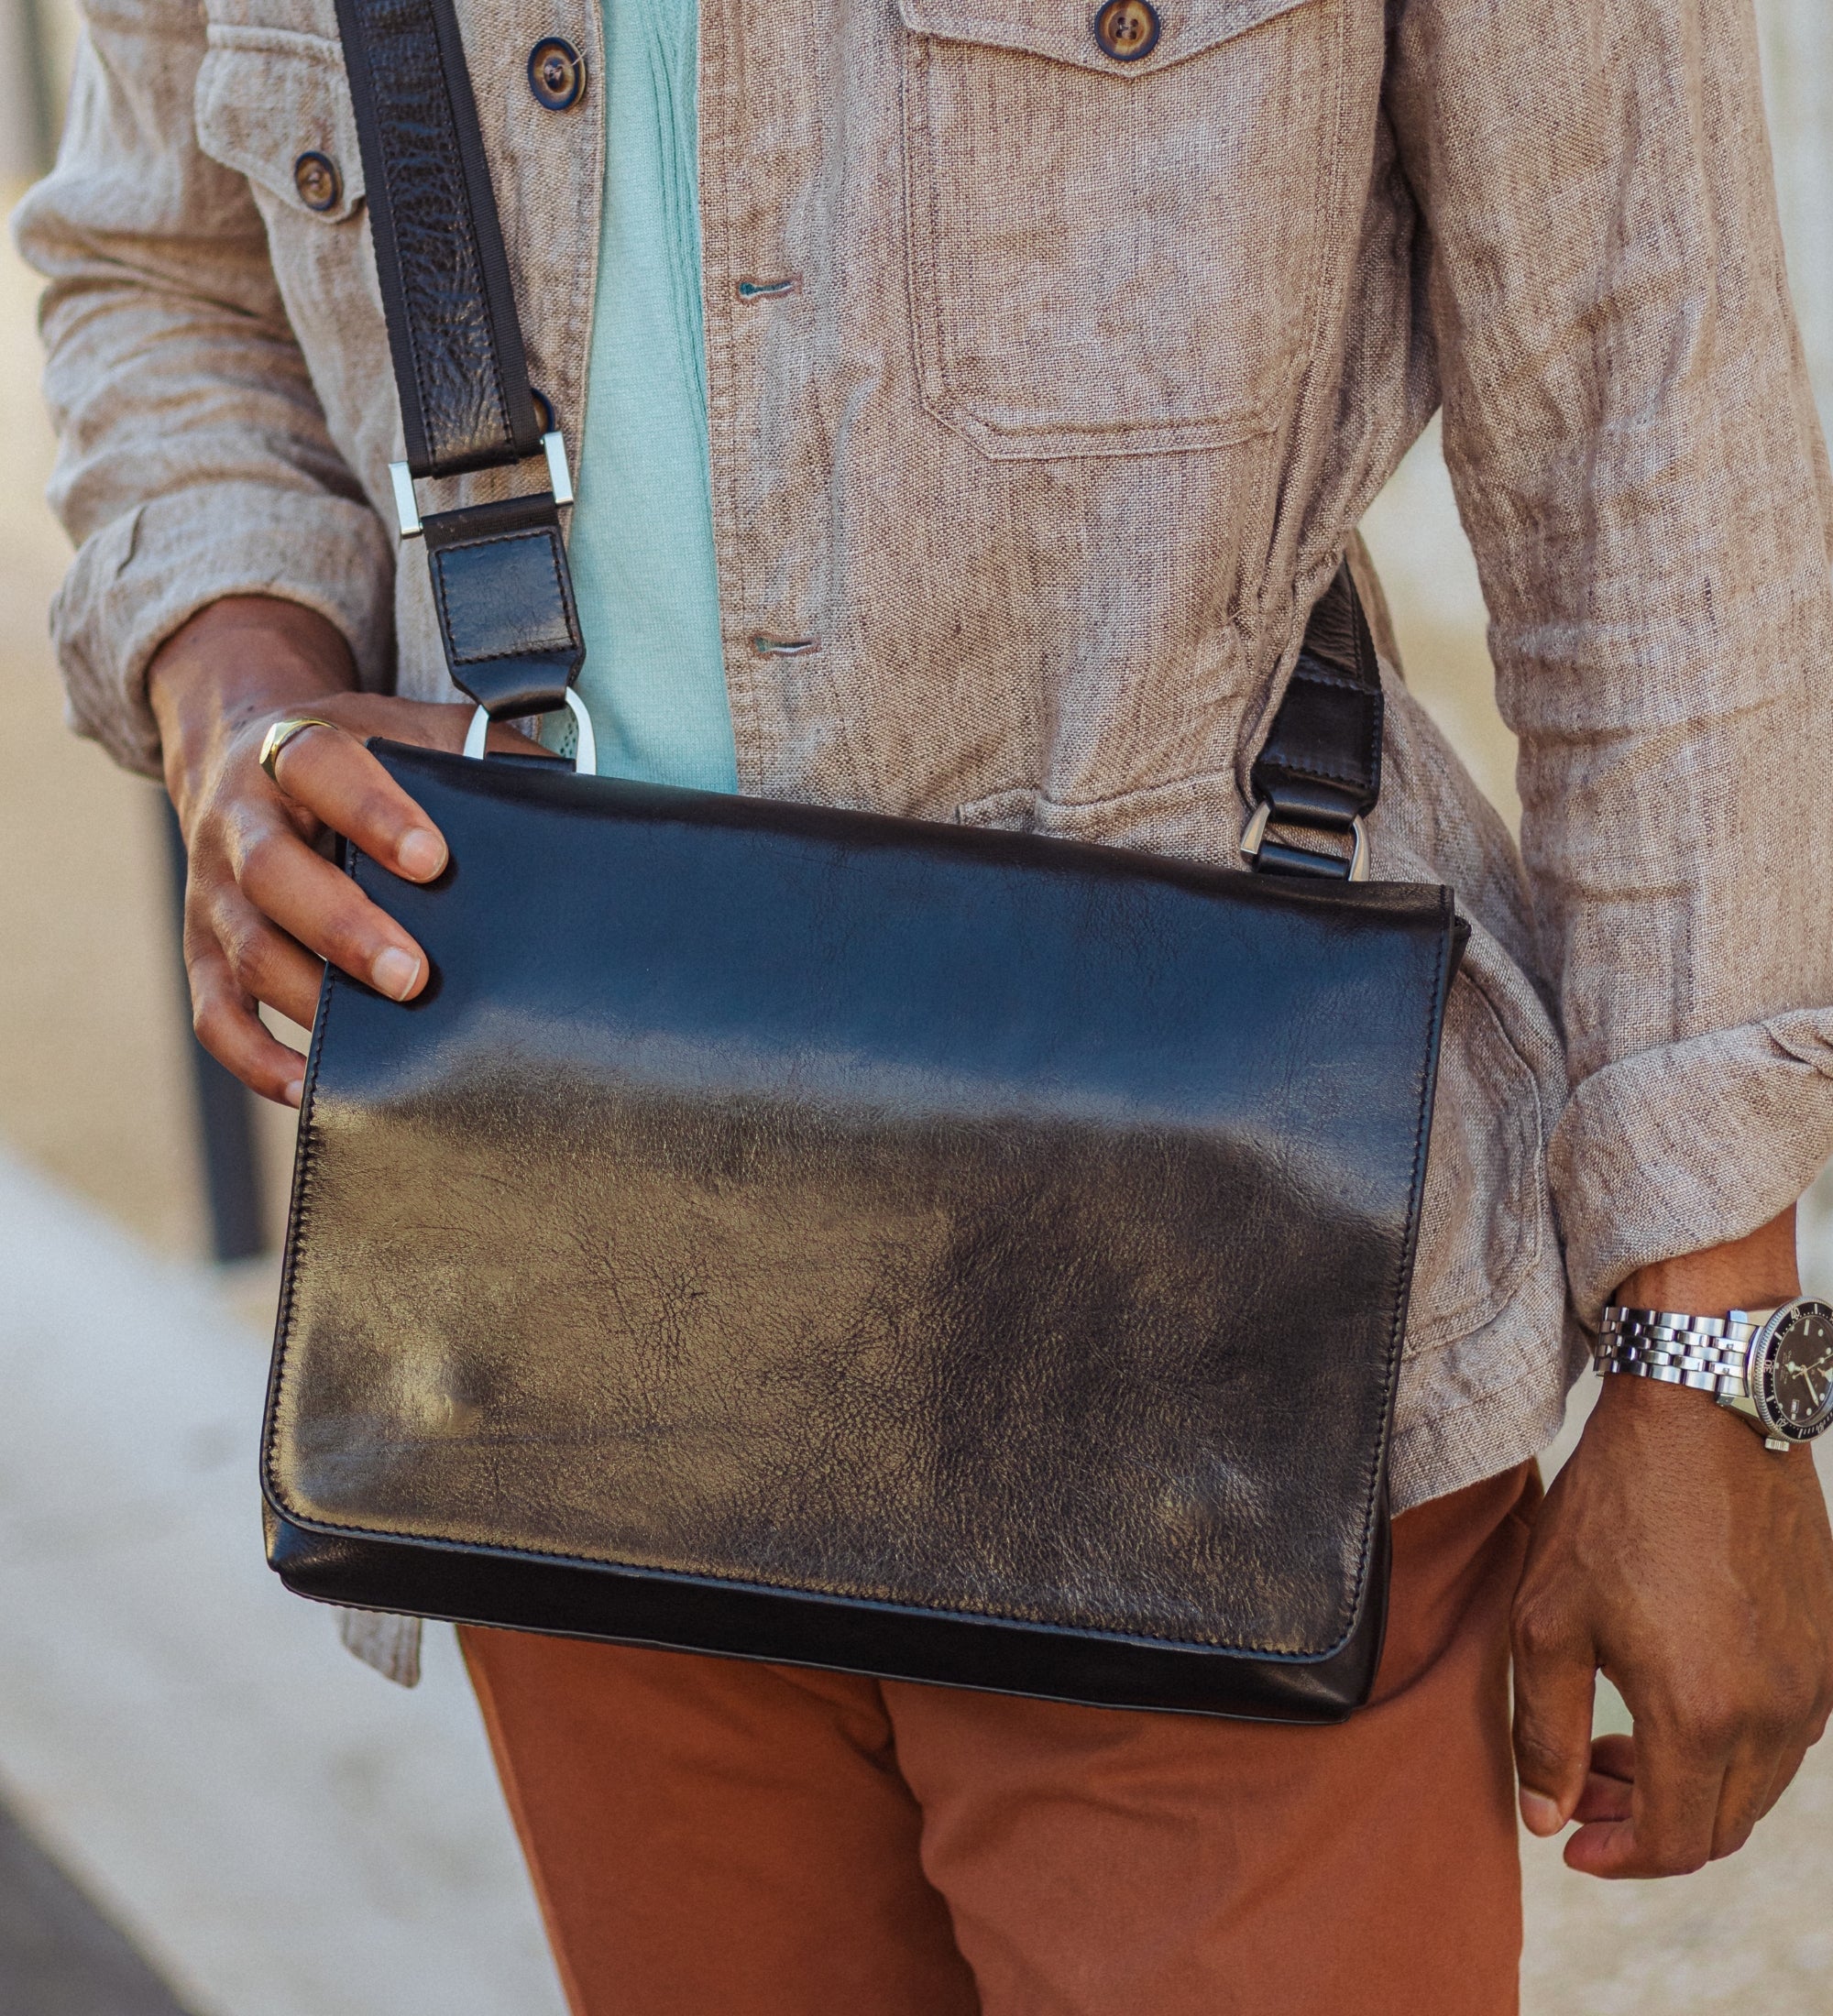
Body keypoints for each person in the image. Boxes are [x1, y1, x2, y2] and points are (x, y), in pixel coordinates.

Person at [16, 0, 1833, 2007]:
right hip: (572, 1308)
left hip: (1220, 1324)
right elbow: (158, 262)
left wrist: (1714, 1356)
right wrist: (230, 681)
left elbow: (1638, 413)